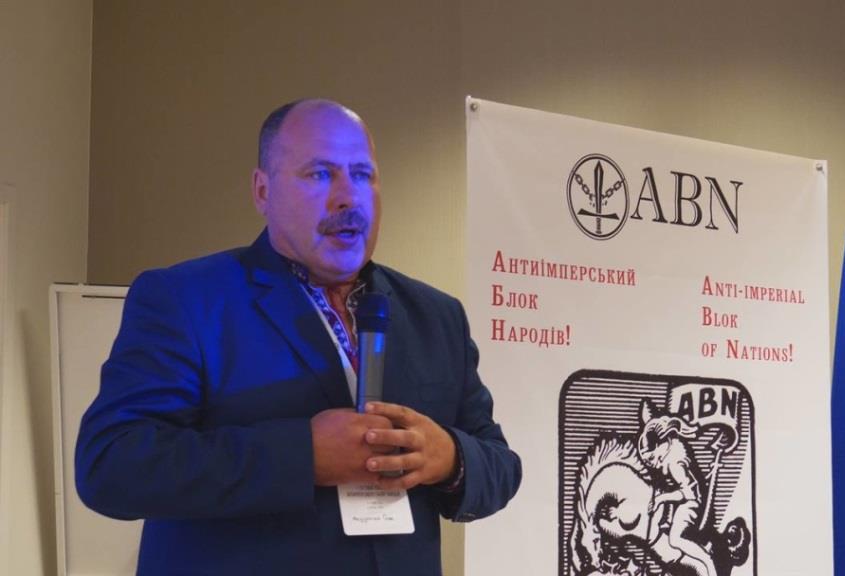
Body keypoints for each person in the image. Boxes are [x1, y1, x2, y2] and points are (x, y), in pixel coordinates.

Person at [75, 99, 522, 575]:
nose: (347, 198)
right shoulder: (187, 299)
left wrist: (449, 456)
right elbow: (112, 465)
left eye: (363, 175)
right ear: (262, 190)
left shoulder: (437, 315)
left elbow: (501, 465)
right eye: (320, 174)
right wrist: (302, 456)